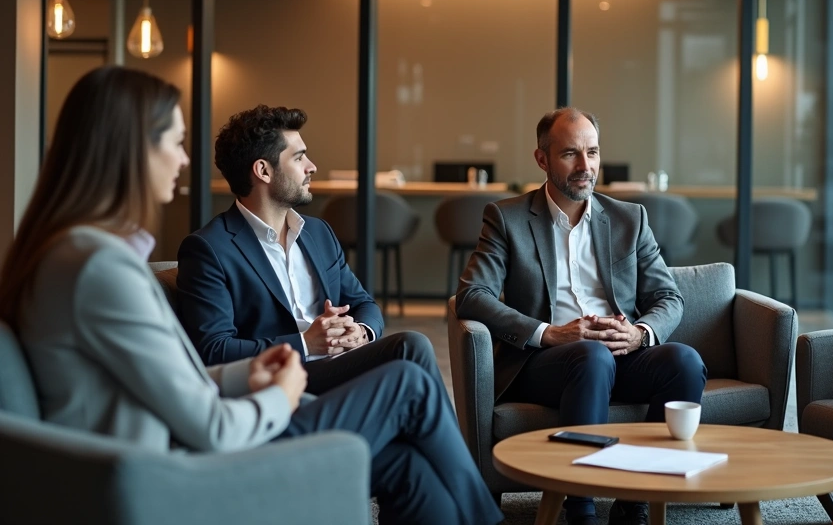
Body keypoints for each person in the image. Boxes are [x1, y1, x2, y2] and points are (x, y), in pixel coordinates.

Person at [2, 67, 503, 525]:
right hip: (179, 471)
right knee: (406, 385)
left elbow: (172, 380)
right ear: (130, 149)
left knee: (408, 464)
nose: (184, 158)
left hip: (176, 444)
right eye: (175, 142)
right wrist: (282, 393)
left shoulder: (69, 255)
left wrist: (251, 372)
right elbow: (209, 423)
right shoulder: (102, 269)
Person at [456, 107, 707, 525]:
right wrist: (549, 333)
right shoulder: (507, 218)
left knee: (684, 361)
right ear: (542, 159)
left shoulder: (630, 218)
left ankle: (635, 503)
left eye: (592, 153)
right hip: (546, 362)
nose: (585, 166)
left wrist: (641, 334)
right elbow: (471, 295)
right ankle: (581, 508)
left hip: (619, 352)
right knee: (591, 357)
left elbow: (669, 296)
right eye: (570, 154)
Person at [176, 105, 442, 396]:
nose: (311, 166)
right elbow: (214, 350)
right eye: (299, 157)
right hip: (286, 380)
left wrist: (362, 332)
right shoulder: (209, 248)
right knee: (410, 349)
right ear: (263, 170)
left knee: (411, 379)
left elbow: (364, 303)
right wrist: (305, 343)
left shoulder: (318, 233)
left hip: (340, 363)